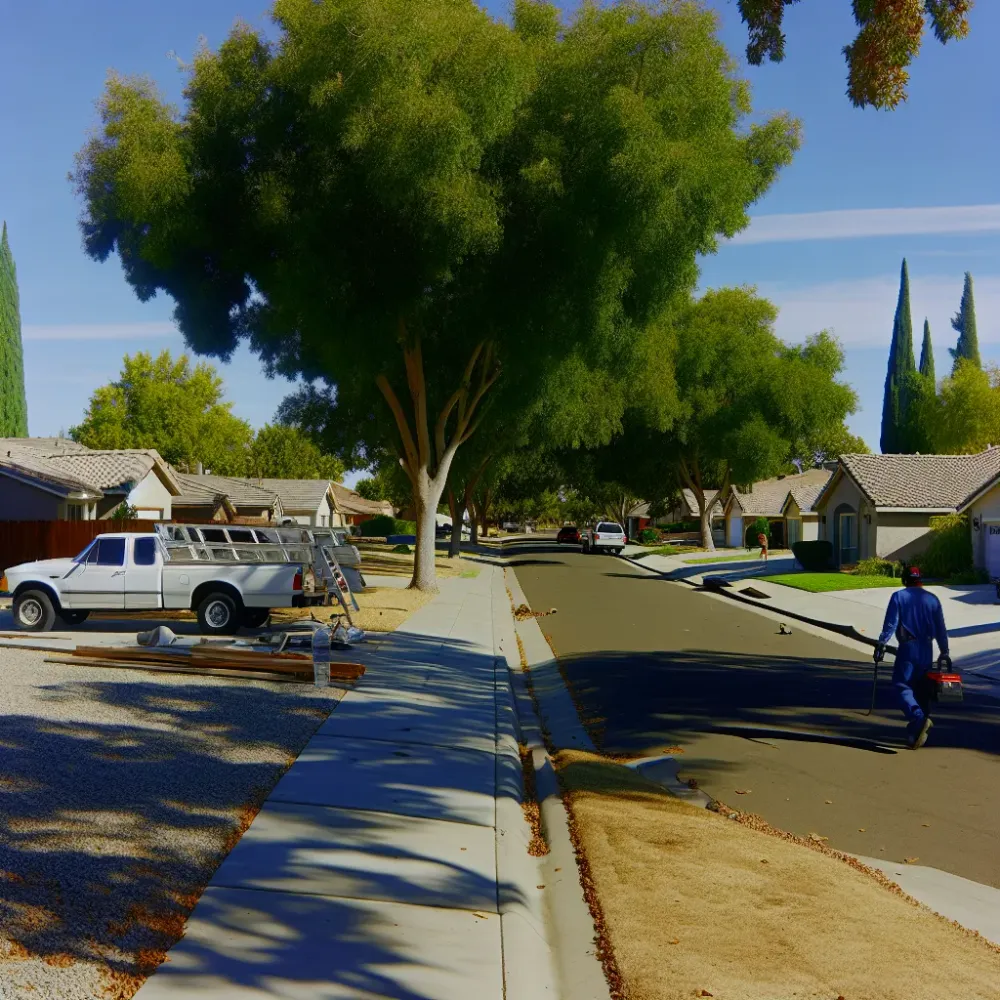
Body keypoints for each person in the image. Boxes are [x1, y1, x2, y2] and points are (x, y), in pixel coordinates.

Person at [875, 566, 950, 749]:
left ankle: (917, 718)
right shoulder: (932, 599)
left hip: (908, 648)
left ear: (904, 579)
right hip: (927, 649)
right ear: (920, 579)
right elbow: (940, 628)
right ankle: (915, 732)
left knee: (902, 686)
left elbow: (891, 624)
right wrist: (944, 651)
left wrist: (882, 643)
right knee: (922, 689)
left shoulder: (899, 597)